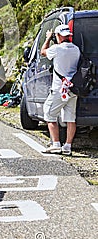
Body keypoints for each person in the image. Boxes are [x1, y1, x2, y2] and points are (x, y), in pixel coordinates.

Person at [41, 24, 80, 156]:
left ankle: (56, 144)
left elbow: (43, 51)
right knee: (70, 118)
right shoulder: (76, 49)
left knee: (49, 113)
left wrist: (47, 38)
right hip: (73, 89)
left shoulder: (56, 49)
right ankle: (68, 146)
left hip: (59, 89)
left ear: (58, 36)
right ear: (69, 36)